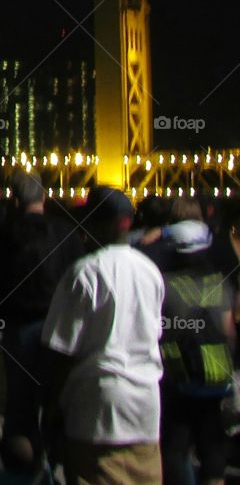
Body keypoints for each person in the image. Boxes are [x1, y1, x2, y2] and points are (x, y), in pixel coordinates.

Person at [41, 186, 164, 485]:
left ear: (98, 224)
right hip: (145, 408)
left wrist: (50, 410)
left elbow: (60, 352)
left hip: (96, 410)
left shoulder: (85, 272)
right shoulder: (150, 271)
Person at [0, 171, 82, 473]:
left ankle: (23, 466)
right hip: (60, 327)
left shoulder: (1, 235)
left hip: (18, 326)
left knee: (20, 400)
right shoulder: (67, 233)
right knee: (57, 397)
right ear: (44, 197)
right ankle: (58, 461)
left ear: (14, 200)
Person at [157, 198, 235, 485]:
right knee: (212, 443)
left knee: (175, 447)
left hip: (180, 376)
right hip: (216, 375)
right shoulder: (218, 281)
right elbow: (228, 330)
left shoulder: (165, 284)